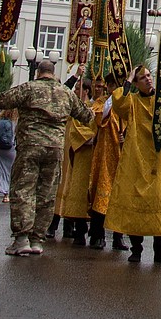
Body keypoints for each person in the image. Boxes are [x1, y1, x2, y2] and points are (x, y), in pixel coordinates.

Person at [0, 61, 94, 257]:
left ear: (38, 72)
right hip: (55, 149)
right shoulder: (66, 93)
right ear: (52, 72)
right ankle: (37, 240)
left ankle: (21, 238)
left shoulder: (29, 88)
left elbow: (1, 100)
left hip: (30, 146)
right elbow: (86, 116)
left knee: (24, 190)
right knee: (47, 194)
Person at [106, 64, 161, 265]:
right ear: (137, 83)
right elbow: (118, 103)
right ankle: (136, 249)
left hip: (159, 156)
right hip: (137, 156)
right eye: (142, 77)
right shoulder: (132, 101)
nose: (147, 79)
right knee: (135, 200)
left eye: (149, 75)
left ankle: (160, 250)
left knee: (160, 199)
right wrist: (128, 79)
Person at [58, 79, 101, 247]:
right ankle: (79, 230)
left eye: (100, 87)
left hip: (98, 155)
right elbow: (77, 129)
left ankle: (97, 232)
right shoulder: (78, 107)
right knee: (79, 192)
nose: (76, 91)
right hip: (83, 154)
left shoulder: (101, 105)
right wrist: (93, 137)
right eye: (76, 88)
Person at [88, 75, 126, 251]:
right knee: (101, 194)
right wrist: (113, 99)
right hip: (104, 154)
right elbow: (99, 118)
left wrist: (124, 135)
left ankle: (118, 237)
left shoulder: (128, 102)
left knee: (120, 196)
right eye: (113, 85)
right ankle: (97, 235)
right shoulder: (101, 102)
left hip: (122, 154)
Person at [0, 109, 16, 200]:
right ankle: (7, 193)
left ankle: (0, 188)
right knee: (9, 171)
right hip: (11, 150)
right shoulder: (14, 122)